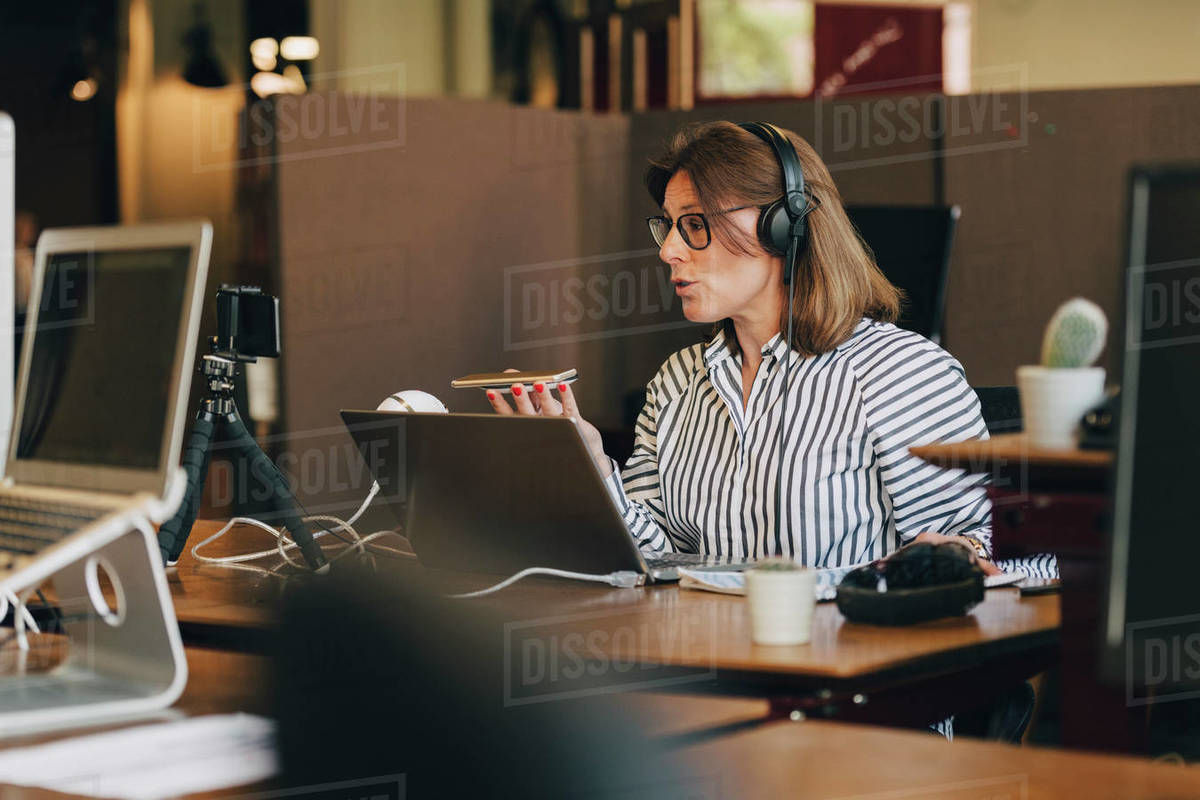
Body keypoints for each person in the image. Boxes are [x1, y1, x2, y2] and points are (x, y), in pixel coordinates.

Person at [487, 120, 1055, 580]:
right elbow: (657, 557)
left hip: (856, 689)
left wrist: (952, 558)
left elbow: (1011, 551)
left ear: (785, 227)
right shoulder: (677, 381)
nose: (670, 253)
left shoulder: (897, 373)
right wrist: (589, 465)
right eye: (669, 227)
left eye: (695, 225)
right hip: (712, 673)